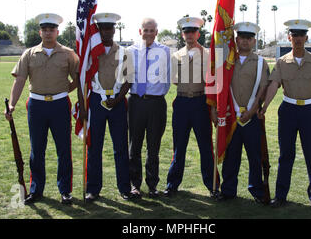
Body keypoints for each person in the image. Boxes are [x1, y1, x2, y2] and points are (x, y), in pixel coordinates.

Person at [259, 19, 311, 208]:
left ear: (306, 38)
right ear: (289, 38)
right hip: (288, 111)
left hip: (309, 112)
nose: (298, 39)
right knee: (286, 154)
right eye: (294, 35)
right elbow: (274, 86)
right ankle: (280, 196)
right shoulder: (282, 61)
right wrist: (265, 107)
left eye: (301, 35)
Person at [5, 13, 79, 205]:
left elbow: (78, 79)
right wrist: (12, 104)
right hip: (36, 105)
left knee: (64, 149)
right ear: (40, 32)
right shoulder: (29, 54)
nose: (48, 33)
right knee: (37, 150)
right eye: (44, 30)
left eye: (51, 30)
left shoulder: (68, 53)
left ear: (57, 31)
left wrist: (64, 91)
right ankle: (36, 190)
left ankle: (65, 191)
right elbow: (20, 80)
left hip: (60, 105)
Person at [211, 22, 270, 203]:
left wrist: (252, 111)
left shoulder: (261, 62)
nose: (245, 41)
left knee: (254, 156)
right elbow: (218, 86)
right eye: (242, 38)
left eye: (249, 38)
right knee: (231, 156)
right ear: (236, 39)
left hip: (251, 117)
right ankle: (228, 190)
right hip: (231, 117)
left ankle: (256, 190)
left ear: (254, 41)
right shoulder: (227, 61)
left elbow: (263, 88)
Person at [77, 13, 133, 202]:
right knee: (95, 147)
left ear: (114, 29)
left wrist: (118, 98)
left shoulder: (125, 52)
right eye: (103, 28)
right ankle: (93, 189)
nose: (107, 31)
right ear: (98, 30)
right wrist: (83, 106)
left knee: (120, 147)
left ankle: (124, 188)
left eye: (110, 28)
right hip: (96, 101)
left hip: (117, 103)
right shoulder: (91, 51)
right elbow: (82, 79)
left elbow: (129, 80)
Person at [164, 17, 219, 198]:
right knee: (179, 146)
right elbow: (174, 80)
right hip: (181, 103)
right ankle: (172, 184)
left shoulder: (208, 55)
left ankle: (212, 185)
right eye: (186, 32)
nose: (189, 35)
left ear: (198, 33)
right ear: (182, 34)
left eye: (193, 32)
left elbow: (213, 82)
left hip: (199, 103)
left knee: (205, 146)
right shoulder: (176, 56)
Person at [127, 18, 171, 198]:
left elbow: (169, 75)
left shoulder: (165, 51)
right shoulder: (130, 51)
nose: (149, 33)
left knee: (154, 146)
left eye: (152, 30)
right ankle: (134, 185)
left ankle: (152, 185)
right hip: (136, 102)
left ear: (157, 32)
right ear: (140, 31)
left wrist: (158, 93)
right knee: (134, 146)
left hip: (156, 103)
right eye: (145, 30)